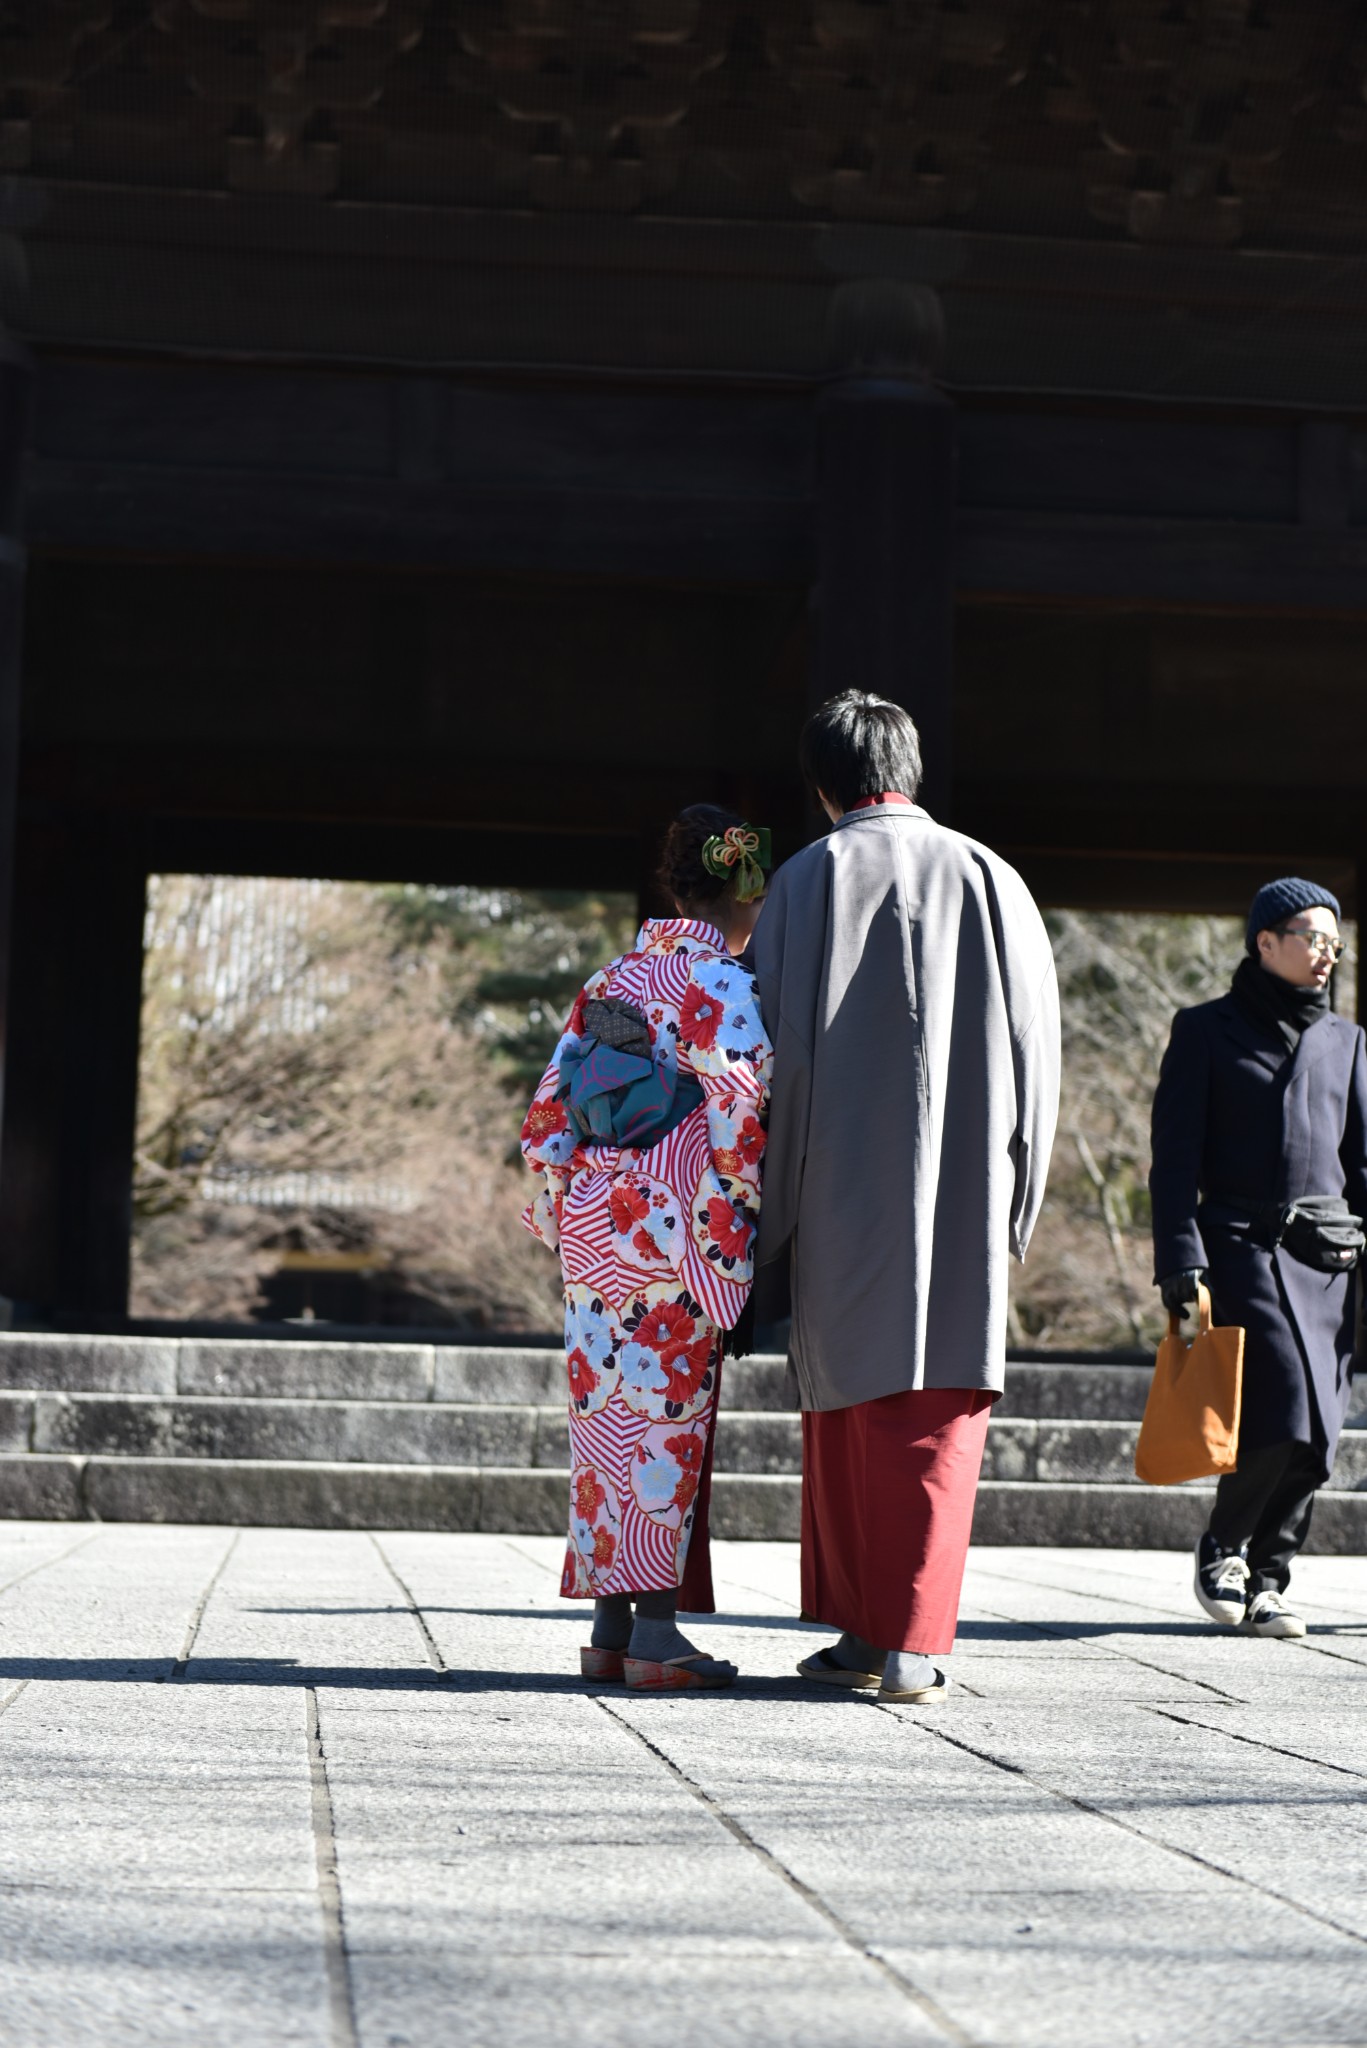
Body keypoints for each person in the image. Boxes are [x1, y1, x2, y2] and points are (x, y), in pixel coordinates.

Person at [750, 691, 1060, 1703]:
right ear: (910, 768)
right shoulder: (990, 876)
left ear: (821, 783)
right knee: (935, 1404)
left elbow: (774, 1060)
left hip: (839, 1176)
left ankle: (874, 1630)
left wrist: (765, 1210)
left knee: (846, 1403)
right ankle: (902, 1636)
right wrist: (1020, 1188)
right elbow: (1038, 1053)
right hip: (964, 1178)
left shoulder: (804, 879)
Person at [521, 805, 773, 1691]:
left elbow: (551, 1114)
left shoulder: (611, 976)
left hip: (593, 1223)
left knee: (602, 1423)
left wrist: (565, 1209)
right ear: (744, 893)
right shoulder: (724, 986)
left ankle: (606, 1626)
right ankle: (657, 1634)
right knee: (664, 1420)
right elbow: (741, 1116)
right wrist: (739, 1222)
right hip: (674, 1225)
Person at [1151, 878, 1367, 1639]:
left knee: (1318, 1434)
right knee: (1280, 1402)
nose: (1325, 953)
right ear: (1264, 941)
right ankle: (1224, 1544)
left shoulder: (1347, 1042)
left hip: (1328, 1260)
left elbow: (1360, 1164)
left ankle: (1268, 1577)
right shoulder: (1204, 1030)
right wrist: (1179, 1256)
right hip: (1240, 1248)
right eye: (1310, 937)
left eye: (1333, 941)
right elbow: (1173, 1158)